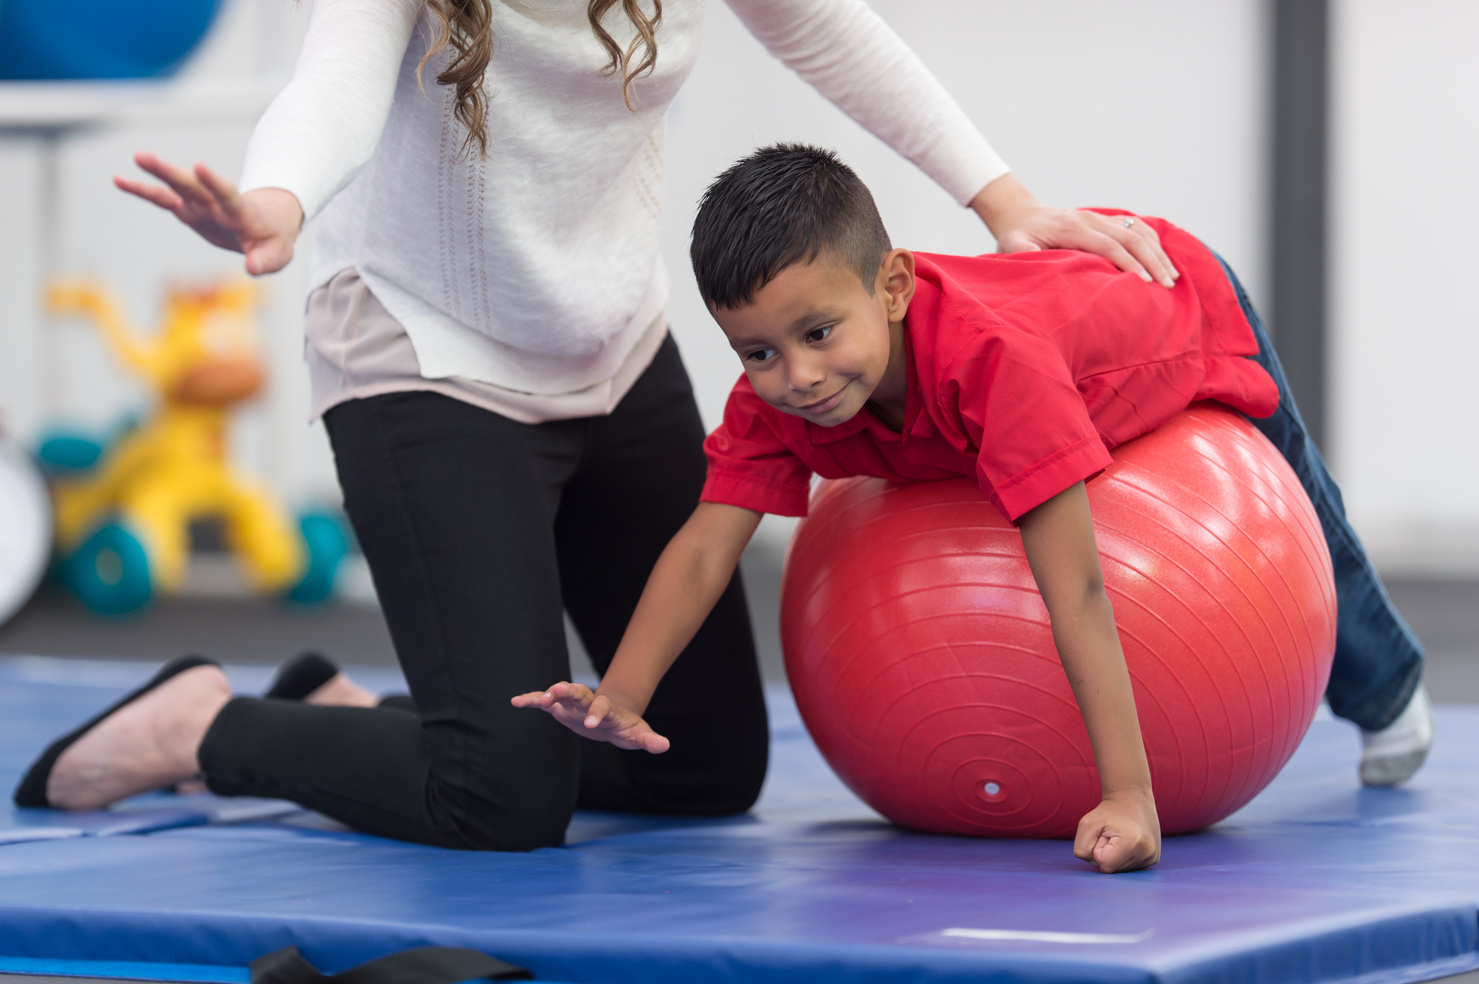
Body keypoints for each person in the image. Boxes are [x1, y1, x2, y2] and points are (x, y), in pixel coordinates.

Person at [14, 1, 1183, 851]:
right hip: (426, 361)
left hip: (615, 351)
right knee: (498, 800)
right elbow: (333, 82)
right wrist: (274, 201)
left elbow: (828, 27)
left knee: (699, 765)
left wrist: (1005, 197)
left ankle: (371, 719)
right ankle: (208, 727)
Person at [512, 144, 1434, 874]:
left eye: (819, 333)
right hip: (1055, 316)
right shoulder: (778, 404)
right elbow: (705, 547)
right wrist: (618, 696)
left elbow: (1071, 588)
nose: (795, 377)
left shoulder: (994, 371)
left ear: (894, 286)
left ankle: (1385, 685)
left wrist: (1128, 798)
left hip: (1174, 295)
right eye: (756, 352)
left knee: (1303, 496)